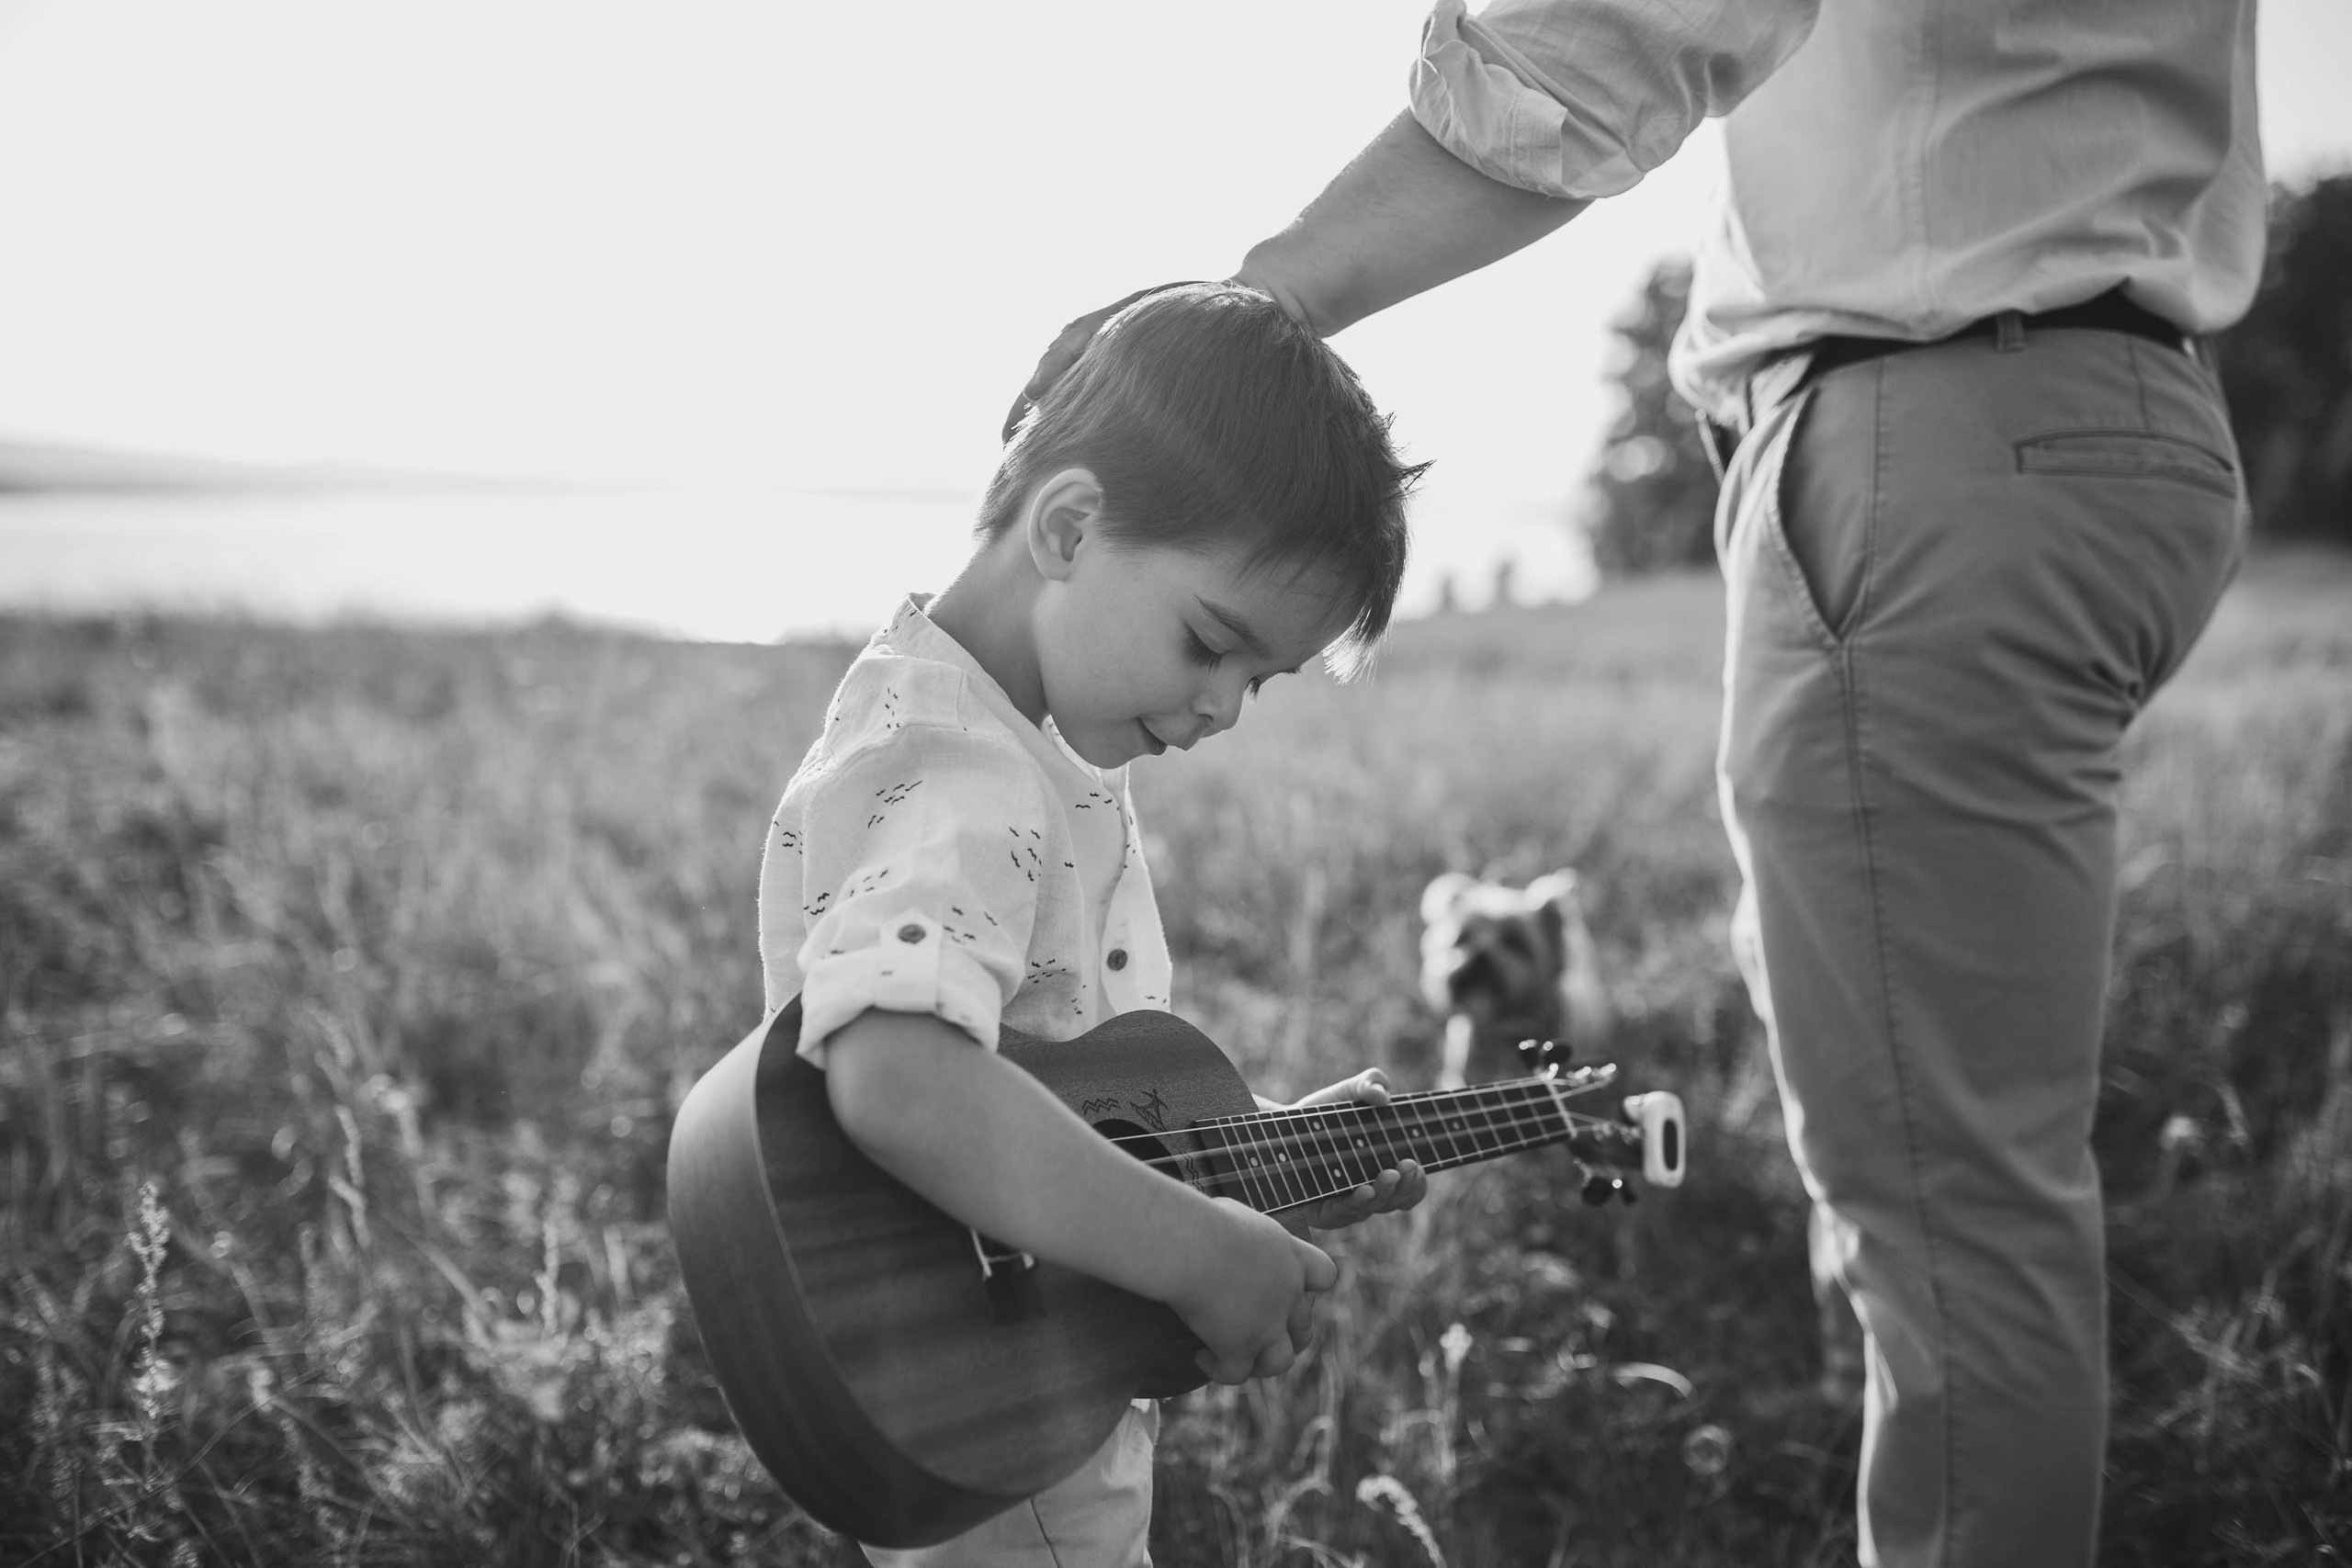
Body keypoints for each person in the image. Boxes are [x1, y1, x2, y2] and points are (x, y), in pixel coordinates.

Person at [1012, 4, 2259, 1564]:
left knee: (1950, 1213)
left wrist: (1245, 318)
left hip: (1941, 428)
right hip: (2113, 417)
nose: (1213, 711)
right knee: (1917, 1128)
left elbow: (1600, 44)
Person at [760, 282, 1431, 1566]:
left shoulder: (960, 723)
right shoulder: (968, 775)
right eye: (1208, 643)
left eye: (1259, 679)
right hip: (1005, 1436)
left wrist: (1259, 1166)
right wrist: (1199, 1254)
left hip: (997, 1372)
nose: (1225, 707)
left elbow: (1041, 1093)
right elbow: (897, 1078)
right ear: (1069, 524)